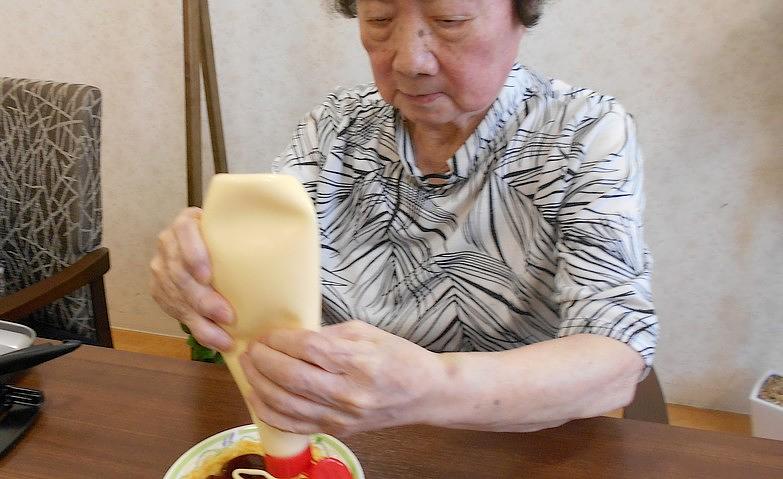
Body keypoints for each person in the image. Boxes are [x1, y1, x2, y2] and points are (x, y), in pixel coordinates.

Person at [150, 0, 658, 436]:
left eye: (450, 19)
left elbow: (615, 358)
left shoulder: (583, 132)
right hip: (335, 433)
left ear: (519, 15)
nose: (409, 60)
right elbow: (263, 254)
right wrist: (196, 264)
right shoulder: (337, 123)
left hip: (511, 446)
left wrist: (435, 388)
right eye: (379, 19)